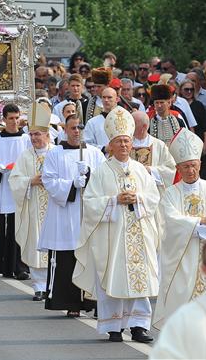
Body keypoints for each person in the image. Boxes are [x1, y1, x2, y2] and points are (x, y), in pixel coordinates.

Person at [73, 106, 160, 343]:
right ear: (110, 145)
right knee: (114, 277)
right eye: (119, 141)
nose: (123, 145)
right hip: (112, 235)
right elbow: (90, 203)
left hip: (138, 234)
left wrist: (139, 199)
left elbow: (153, 198)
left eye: (127, 141)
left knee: (138, 278)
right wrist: (114, 201)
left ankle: (139, 326)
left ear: (132, 144)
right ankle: (114, 326)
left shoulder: (141, 170)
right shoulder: (101, 172)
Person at [153, 128, 206, 329]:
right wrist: (200, 222)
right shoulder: (171, 194)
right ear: (178, 168)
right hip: (181, 259)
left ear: (200, 164)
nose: (190, 171)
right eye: (185, 167)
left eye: (193, 166)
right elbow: (170, 220)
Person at [39, 114, 105, 316]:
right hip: (65, 214)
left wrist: (91, 176)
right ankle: (71, 303)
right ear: (65, 130)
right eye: (73, 128)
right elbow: (48, 181)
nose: (77, 131)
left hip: (88, 215)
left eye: (80, 128)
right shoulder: (55, 154)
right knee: (68, 259)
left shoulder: (94, 153)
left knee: (92, 257)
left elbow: (106, 178)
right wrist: (72, 185)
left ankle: (92, 301)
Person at [9, 102, 54, 301]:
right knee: (36, 245)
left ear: (47, 135)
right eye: (32, 134)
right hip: (34, 208)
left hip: (55, 208)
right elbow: (14, 180)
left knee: (55, 246)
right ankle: (39, 287)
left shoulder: (57, 153)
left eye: (38, 134)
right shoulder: (25, 156)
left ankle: (53, 286)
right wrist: (30, 181)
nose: (34, 138)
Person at [0, 103, 31, 280]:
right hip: (3, 187)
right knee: (6, 229)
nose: (14, 122)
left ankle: (20, 267)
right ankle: (5, 266)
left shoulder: (26, 139)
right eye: (10, 118)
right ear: (3, 119)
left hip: (20, 189)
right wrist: (1, 168)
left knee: (18, 227)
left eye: (16, 118)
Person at [132, 111, 176, 194]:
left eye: (133, 124)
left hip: (154, 193)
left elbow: (171, 169)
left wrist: (150, 170)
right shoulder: (126, 145)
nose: (130, 126)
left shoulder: (159, 145)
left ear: (144, 127)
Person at [84, 87, 119, 153]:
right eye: (104, 97)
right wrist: (103, 148)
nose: (106, 100)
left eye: (109, 97)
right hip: (101, 160)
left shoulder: (124, 119)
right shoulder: (92, 122)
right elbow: (87, 144)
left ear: (117, 99)